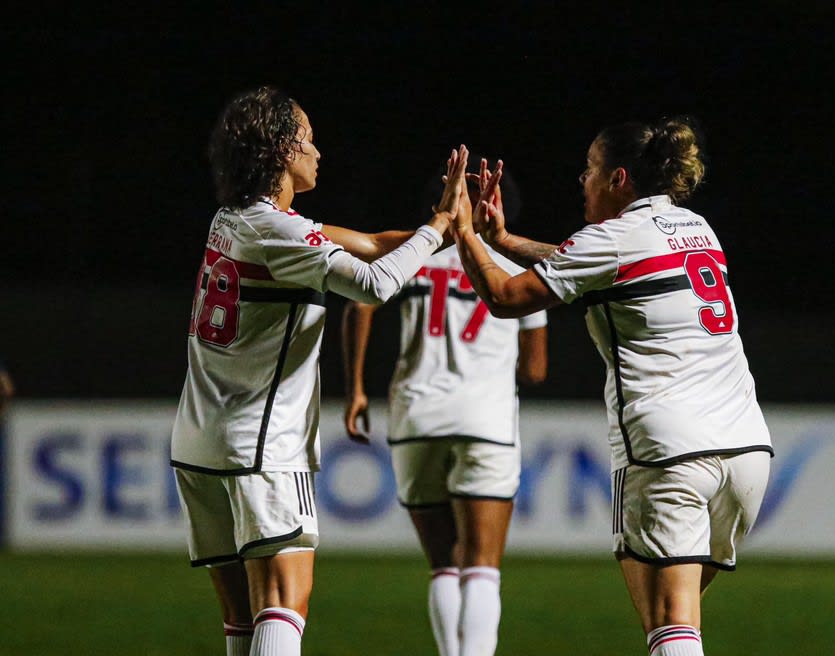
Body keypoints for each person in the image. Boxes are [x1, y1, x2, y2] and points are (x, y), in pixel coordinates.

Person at [450, 120, 773, 656]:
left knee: (671, 622)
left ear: (619, 178)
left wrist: (463, 234)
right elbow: (594, 264)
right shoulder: (696, 227)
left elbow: (506, 297)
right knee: (670, 620)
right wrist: (503, 240)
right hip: (746, 452)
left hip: (671, 452)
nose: (583, 179)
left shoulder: (612, 239)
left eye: (591, 169)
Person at [170, 85, 468, 656]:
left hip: (200, 440)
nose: (318, 151)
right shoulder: (280, 233)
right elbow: (376, 285)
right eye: (307, 138)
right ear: (281, 148)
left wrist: (454, 230)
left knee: (242, 617)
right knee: (285, 600)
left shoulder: (236, 220)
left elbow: (374, 245)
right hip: (260, 443)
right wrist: (436, 227)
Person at [340, 167, 547, 656]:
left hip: (416, 413)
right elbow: (535, 371)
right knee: (480, 565)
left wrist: (356, 390)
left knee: (442, 565)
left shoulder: (418, 253)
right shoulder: (518, 268)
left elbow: (360, 305)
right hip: (486, 420)